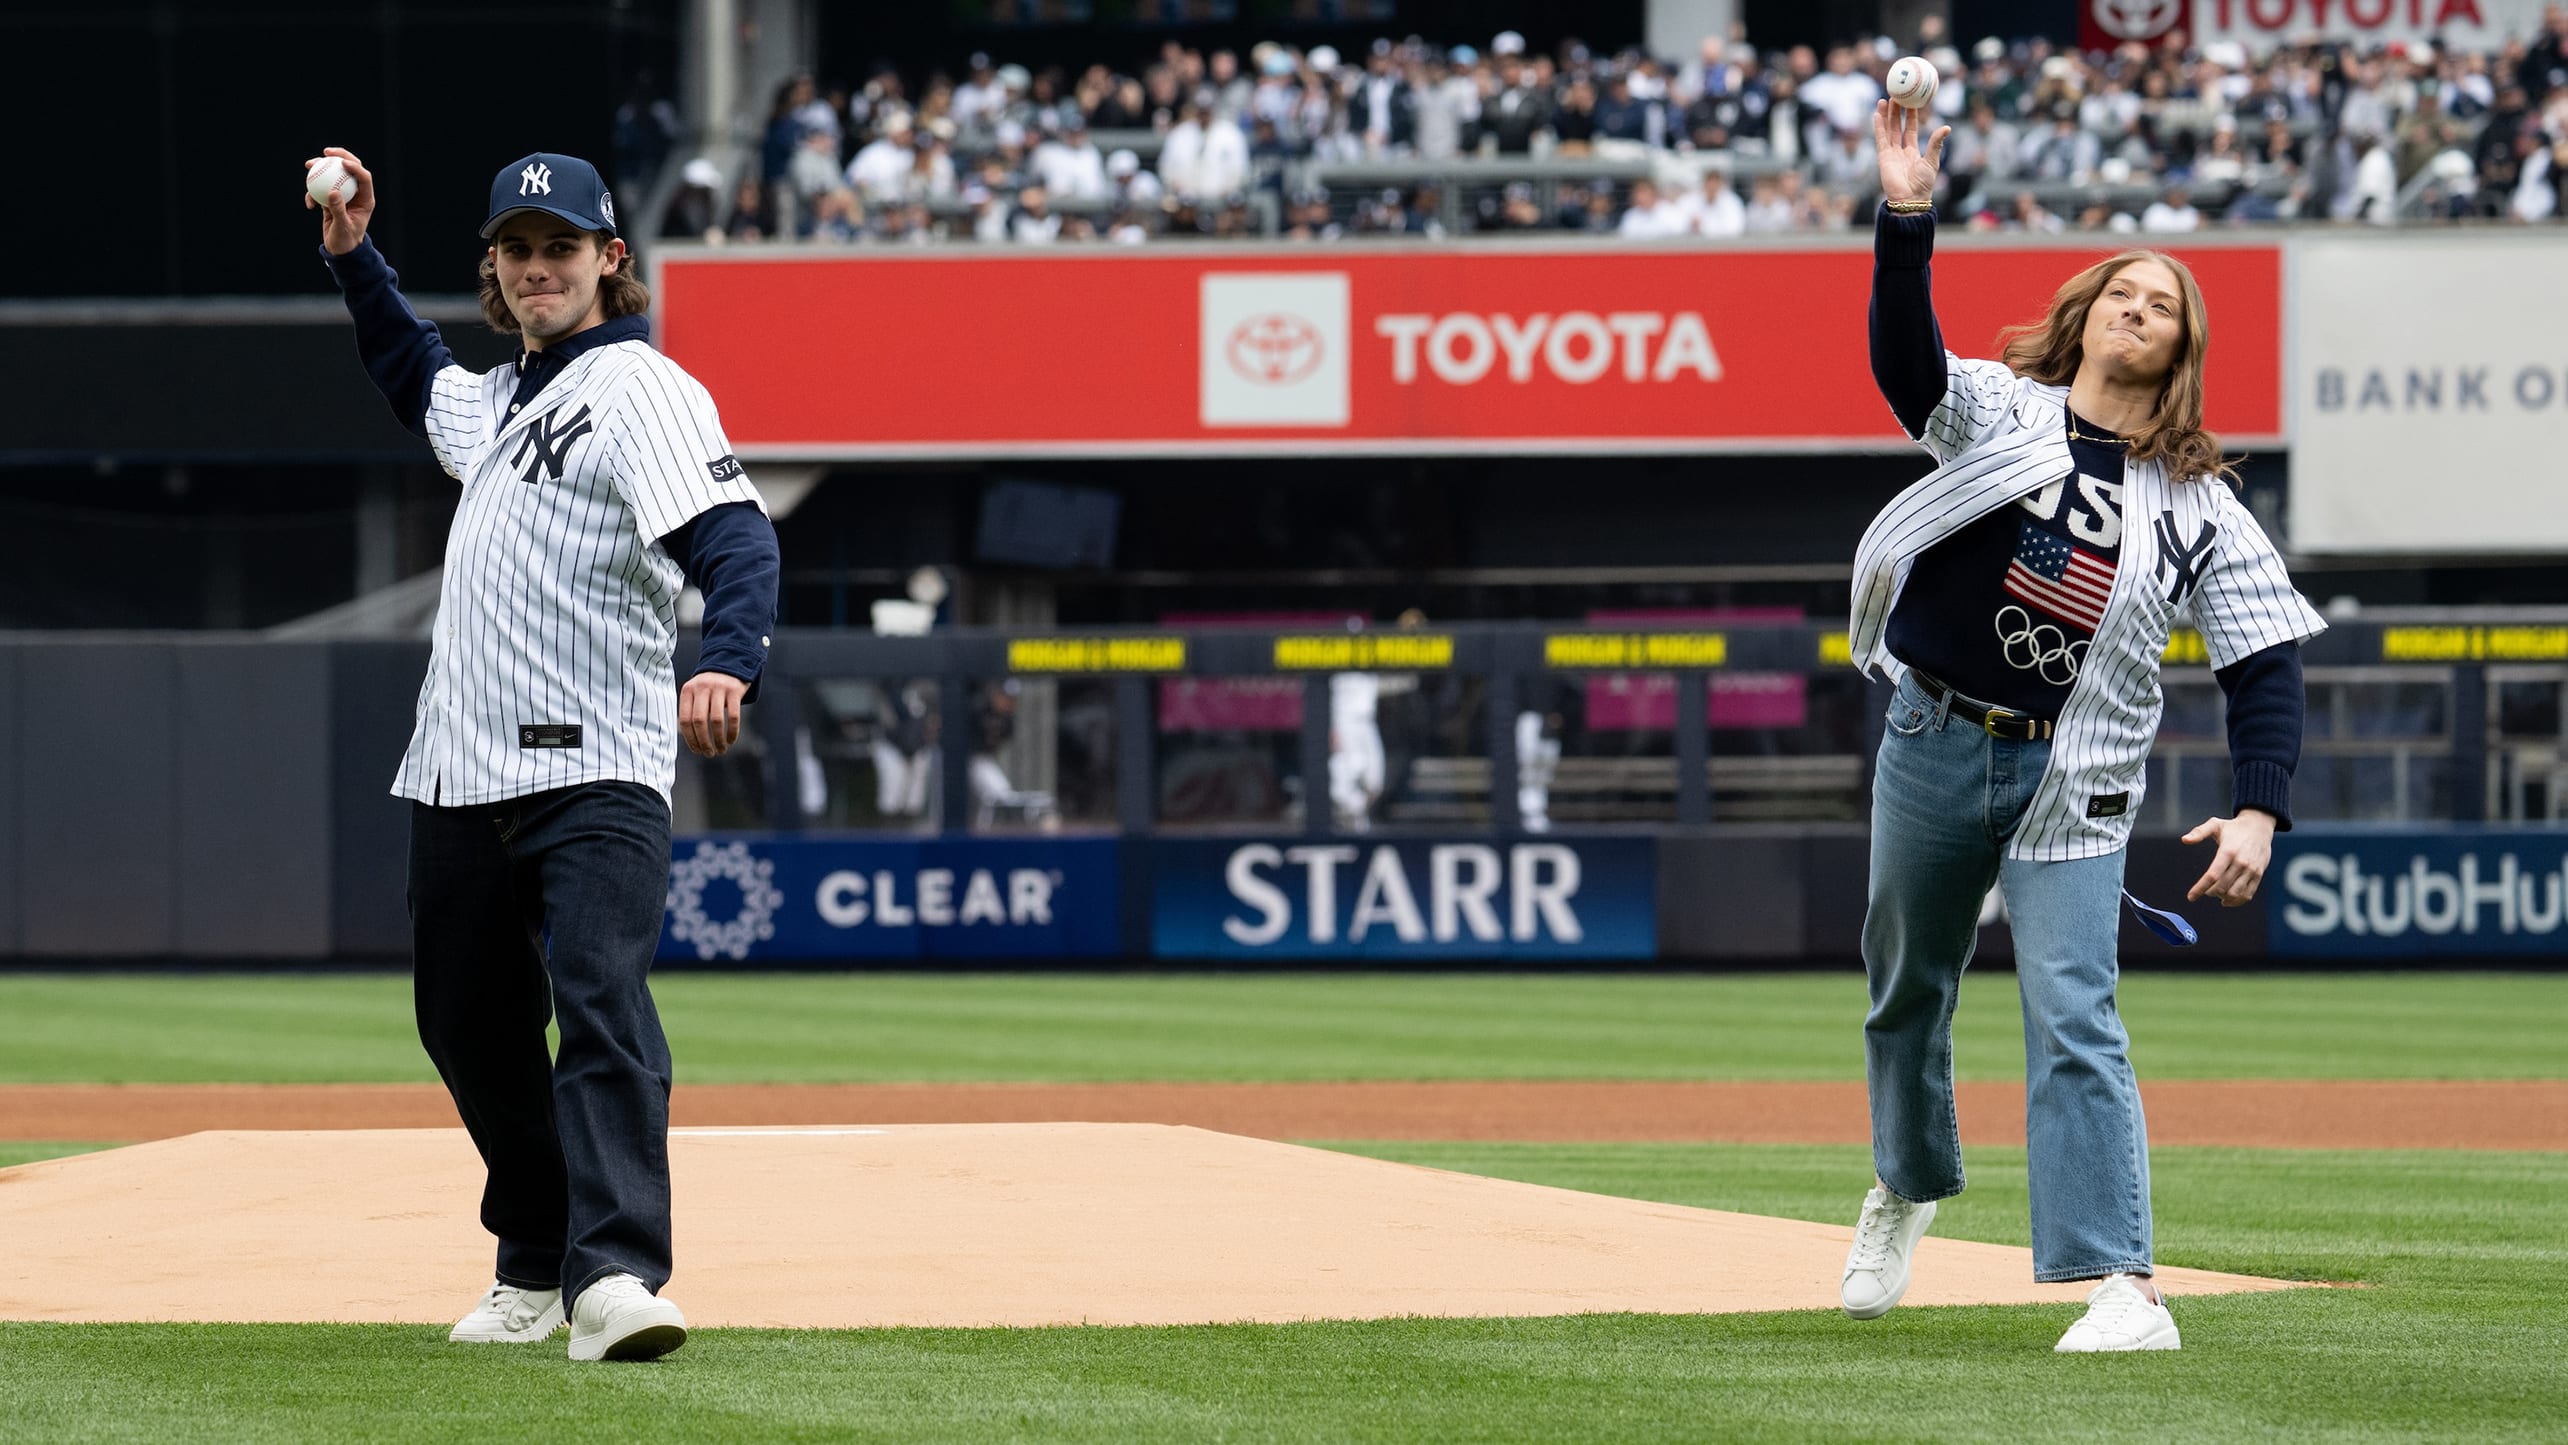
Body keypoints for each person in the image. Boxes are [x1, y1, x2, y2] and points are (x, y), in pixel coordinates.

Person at [1837, 101, 2323, 1354]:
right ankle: (1908, 1180)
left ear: (2179, 351)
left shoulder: (2197, 497)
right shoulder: (2002, 407)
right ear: (2089, 309)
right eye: (2125, 292)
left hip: (2078, 780)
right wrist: (1904, 220)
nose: (2139, 310)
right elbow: (1906, 367)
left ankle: (2125, 1286)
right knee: (1904, 991)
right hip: (1937, 736)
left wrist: (2263, 805)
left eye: (2164, 306)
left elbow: (2265, 659)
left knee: (2075, 1013)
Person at [308, 147, 780, 1361]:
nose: (537, 270)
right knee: (465, 1023)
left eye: (560, 248)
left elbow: (734, 536)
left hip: (597, 765)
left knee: (599, 1002)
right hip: (458, 768)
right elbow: (411, 366)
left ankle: (617, 1270)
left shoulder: (641, 386)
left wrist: (726, 653)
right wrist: (357, 255)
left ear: (609, 260)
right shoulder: (498, 402)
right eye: (517, 251)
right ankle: (533, 1257)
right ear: (496, 267)